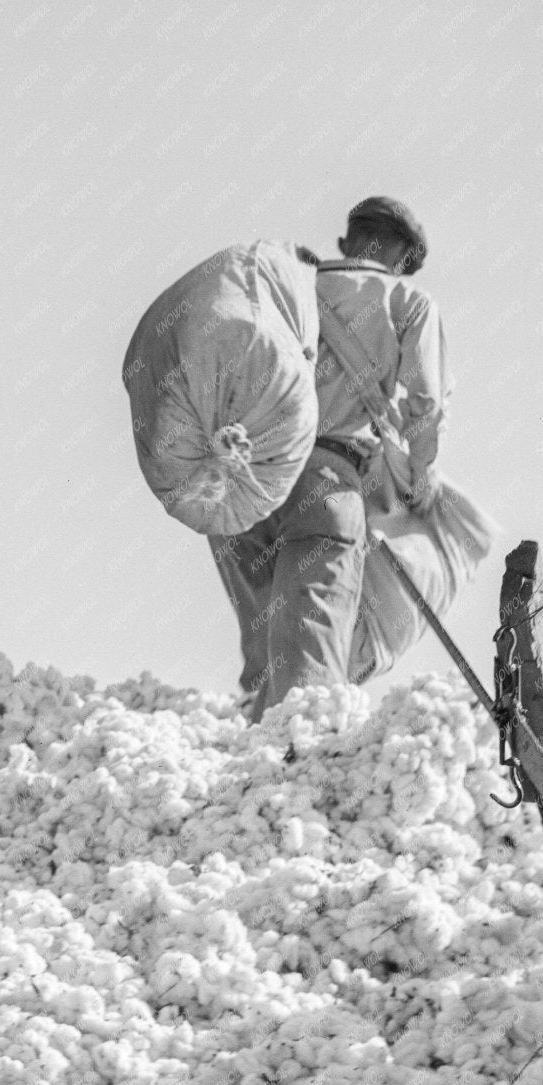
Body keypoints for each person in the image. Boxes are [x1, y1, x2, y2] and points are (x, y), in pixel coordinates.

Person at [209, 196, 452, 720]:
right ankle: (294, 772)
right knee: (308, 677)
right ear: (404, 259)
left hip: (242, 485)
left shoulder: (284, 290)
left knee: (264, 661)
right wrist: (420, 481)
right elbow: (424, 404)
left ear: (345, 242)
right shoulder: (407, 302)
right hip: (324, 482)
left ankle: (252, 763)